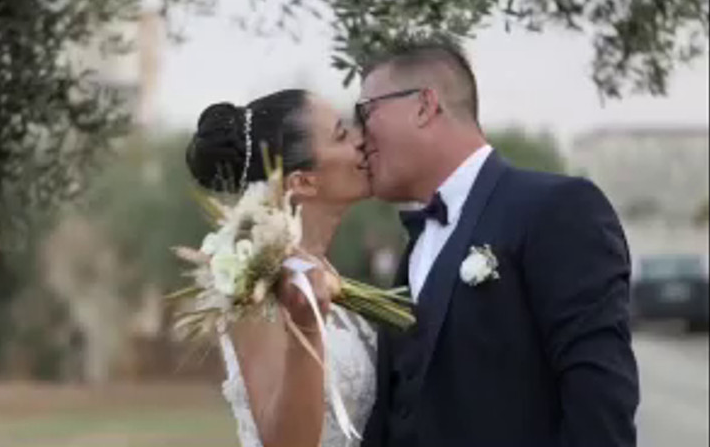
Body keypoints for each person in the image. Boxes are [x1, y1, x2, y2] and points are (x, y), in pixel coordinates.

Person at [357, 37, 640, 447]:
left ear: (424, 105)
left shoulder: (556, 209)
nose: (360, 137)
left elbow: (600, 403)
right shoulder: (417, 246)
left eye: (366, 112)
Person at [185, 89, 377, 447]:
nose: (362, 139)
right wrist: (306, 324)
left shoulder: (325, 270)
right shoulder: (254, 283)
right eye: (341, 135)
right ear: (302, 181)